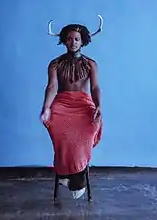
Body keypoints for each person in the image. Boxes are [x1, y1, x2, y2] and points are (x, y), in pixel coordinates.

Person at [40, 15, 103, 199]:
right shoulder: (55, 64)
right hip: (61, 103)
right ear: (63, 40)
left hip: (84, 104)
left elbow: (95, 87)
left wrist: (98, 106)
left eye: (76, 39)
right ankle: (68, 174)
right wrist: (46, 108)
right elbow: (52, 87)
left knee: (87, 131)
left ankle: (76, 175)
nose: (73, 42)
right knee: (60, 131)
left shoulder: (91, 64)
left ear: (83, 40)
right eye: (69, 38)